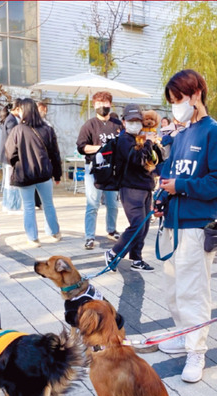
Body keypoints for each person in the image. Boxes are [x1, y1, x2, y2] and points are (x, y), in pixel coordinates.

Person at [155, 69, 217, 383]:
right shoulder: (180, 134)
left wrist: (181, 186)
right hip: (172, 223)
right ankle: (181, 334)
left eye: (179, 99)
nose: (176, 106)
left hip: (197, 225)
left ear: (196, 94)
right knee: (173, 290)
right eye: (172, 101)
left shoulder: (214, 132)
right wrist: (161, 196)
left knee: (193, 292)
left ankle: (196, 350)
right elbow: (169, 177)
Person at [104, 104, 159, 272]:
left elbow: (155, 160)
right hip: (131, 188)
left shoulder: (140, 138)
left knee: (144, 226)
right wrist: (149, 142)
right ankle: (113, 253)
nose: (135, 124)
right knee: (137, 225)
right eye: (131, 121)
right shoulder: (123, 140)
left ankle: (136, 258)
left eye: (138, 121)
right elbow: (137, 159)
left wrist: (154, 145)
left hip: (145, 187)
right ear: (124, 121)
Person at [5, 98, 62, 248]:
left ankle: (33, 238)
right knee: (48, 204)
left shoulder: (18, 130)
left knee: (29, 206)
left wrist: (17, 162)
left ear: (24, 111)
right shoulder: (47, 129)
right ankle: (54, 232)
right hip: (44, 174)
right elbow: (55, 154)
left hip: (24, 174)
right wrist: (57, 174)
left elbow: (9, 152)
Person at [76, 91, 122, 250]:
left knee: (113, 203)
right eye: (99, 104)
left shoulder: (117, 124)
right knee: (92, 203)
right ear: (94, 105)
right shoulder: (89, 125)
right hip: (94, 169)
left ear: (111, 104)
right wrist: (102, 148)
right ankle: (89, 236)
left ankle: (112, 229)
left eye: (106, 103)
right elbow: (82, 147)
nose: (103, 106)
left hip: (112, 170)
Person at [0, 99, 23, 213]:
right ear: (18, 108)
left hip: (7, 157)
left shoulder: (11, 119)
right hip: (10, 157)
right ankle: (12, 206)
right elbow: (14, 140)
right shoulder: (12, 121)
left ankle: (6, 205)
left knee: (8, 181)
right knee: (12, 182)